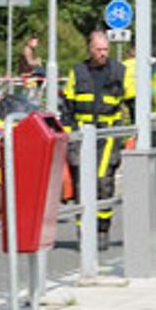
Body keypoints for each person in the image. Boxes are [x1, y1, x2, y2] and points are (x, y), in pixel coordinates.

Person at [60, 31, 134, 250]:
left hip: (108, 134)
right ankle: (84, 231)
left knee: (104, 182)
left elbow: (133, 102)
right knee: (82, 182)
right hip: (82, 134)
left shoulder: (120, 72)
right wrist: (68, 132)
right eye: (99, 49)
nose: (103, 54)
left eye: (105, 50)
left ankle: (102, 229)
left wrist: (135, 131)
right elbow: (67, 107)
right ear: (90, 49)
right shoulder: (77, 72)